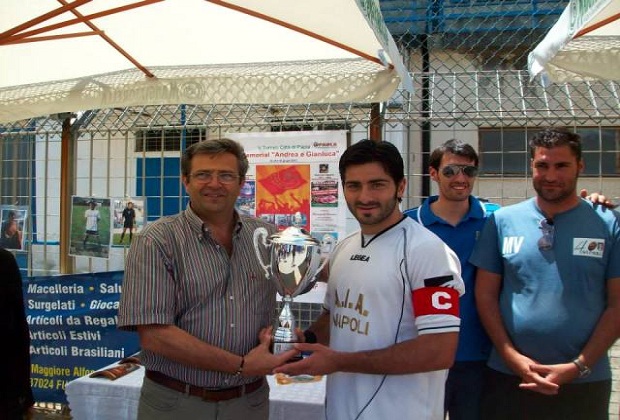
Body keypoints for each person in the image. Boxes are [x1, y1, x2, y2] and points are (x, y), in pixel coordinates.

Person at [274, 140, 465, 419]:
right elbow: (334, 316)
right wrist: (302, 340)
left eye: (377, 184)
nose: (365, 196)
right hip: (341, 410)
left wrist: (339, 361)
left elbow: (439, 351)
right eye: (354, 186)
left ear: (400, 187)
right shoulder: (344, 247)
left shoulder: (428, 251)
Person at [118, 138, 296, 420]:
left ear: (241, 183)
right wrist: (240, 365)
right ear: (186, 181)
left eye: (226, 175)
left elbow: (292, 288)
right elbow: (154, 336)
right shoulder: (157, 240)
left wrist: (279, 336)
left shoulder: (267, 236)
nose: (215, 184)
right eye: (203, 175)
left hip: (248, 402)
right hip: (177, 403)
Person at [470, 127, 620, 420]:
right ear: (531, 166)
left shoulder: (608, 224)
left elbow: (617, 304)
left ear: (580, 166)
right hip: (509, 378)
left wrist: (578, 366)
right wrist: (513, 359)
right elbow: (485, 295)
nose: (550, 176)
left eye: (561, 165)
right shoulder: (502, 222)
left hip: (584, 381)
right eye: (542, 165)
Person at [403, 139, 499, 420]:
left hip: (477, 357)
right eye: (451, 171)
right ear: (433, 174)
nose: (460, 178)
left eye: (468, 172)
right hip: (423, 354)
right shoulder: (409, 225)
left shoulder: (495, 220)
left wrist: (590, 204)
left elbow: (541, 219)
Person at [0, 247, 34, 419]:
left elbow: (19, 327)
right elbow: (19, 327)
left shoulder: (5, 261)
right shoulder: (5, 260)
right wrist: (25, 393)